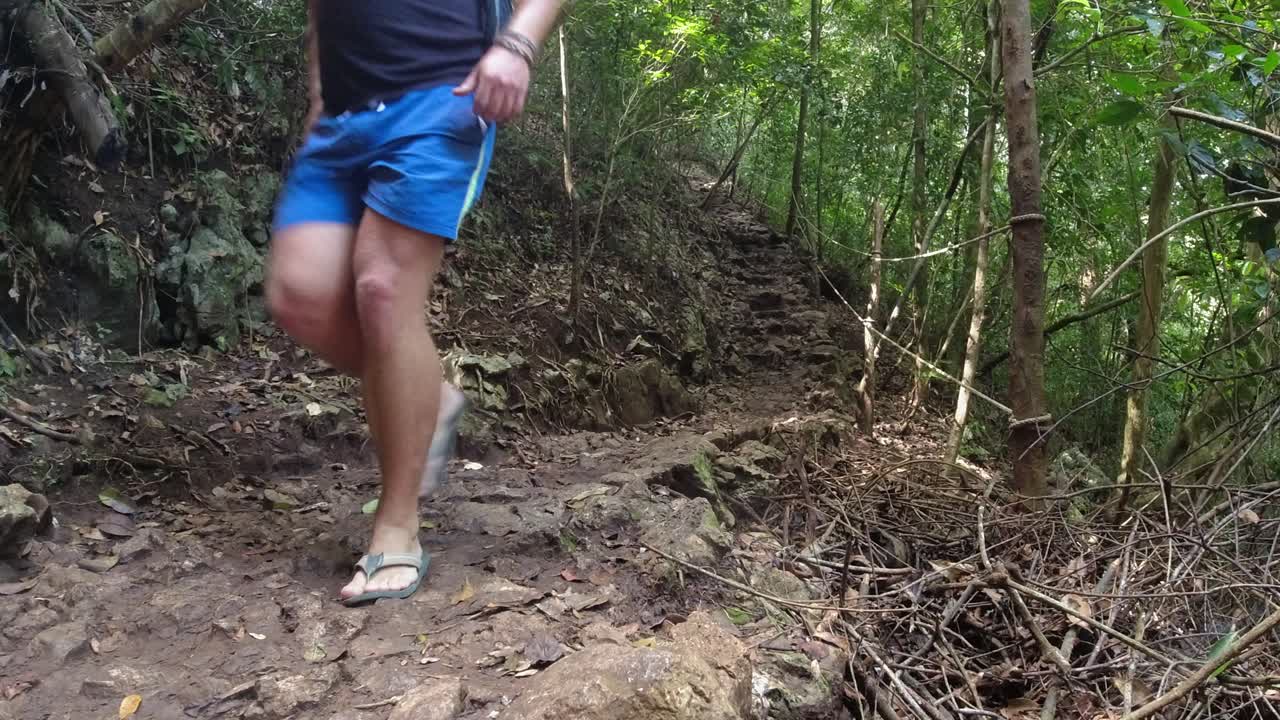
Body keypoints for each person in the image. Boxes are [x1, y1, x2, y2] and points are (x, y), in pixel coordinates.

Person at [267, 0, 565, 605]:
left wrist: (518, 44)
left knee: (382, 290)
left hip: (444, 94)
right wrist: (319, 94)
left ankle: (397, 527)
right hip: (343, 115)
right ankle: (431, 398)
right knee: (299, 296)